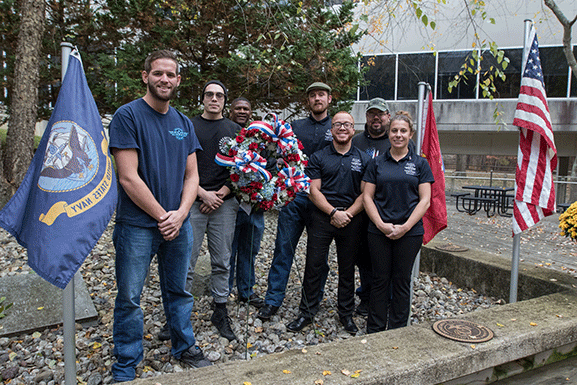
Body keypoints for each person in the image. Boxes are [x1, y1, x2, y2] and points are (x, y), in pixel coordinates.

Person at [109, 50, 210, 382]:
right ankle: (126, 361)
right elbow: (128, 177)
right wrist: (163, 216)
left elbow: (192, 176)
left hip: (178, 224)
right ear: (145, 76)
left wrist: (180, 214)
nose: (164, 79)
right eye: (158, 74)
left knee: (179, 290)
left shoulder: (182, 123)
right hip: (137, 225)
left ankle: (184, 346)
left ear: (178, 80)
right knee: (129, 297)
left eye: (170, 75)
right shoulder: (128, 116)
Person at [286, 111, 369, 334]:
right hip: (321, 218)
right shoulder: (318, 157)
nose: (342, 128)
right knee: (313, 266)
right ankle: (307, 312)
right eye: (338, 124)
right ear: (331, 130)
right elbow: (313, 191)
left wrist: (347, 214)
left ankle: (346, 314)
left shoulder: (363, 159)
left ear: (353, 130)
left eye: (347, 124)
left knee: (347, 268)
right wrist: (333, 212)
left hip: (351, 220)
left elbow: (366, 194)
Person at [257, 82, 333, 320]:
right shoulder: (295, 126)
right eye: (312, 95)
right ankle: (273, 300)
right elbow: (273, 152)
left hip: (323, 199)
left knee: (318, 255)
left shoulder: (338, 126)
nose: (317, 98)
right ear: (307, 101)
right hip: (294, 196)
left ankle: (311, 302)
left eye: (321, 95)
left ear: (329, 99)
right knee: (283, 248)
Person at [362, 111, 434, 333]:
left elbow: (425, 201)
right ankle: (375, 328)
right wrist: (381, 224)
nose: (398, 135)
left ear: (410, 134)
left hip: (409, 233)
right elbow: (367, 197)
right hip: (378, 231)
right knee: (380, 279)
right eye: (394, 130)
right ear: (388, 133)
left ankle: (398, 329)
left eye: (403, 131)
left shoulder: (421, 165)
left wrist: (405, 227)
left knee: (402, 281)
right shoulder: (376, 164)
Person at [187, 80, 241, 342]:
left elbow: (244, 169)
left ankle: (220, 310)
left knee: (222, 260)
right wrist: (201, 194)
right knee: (186, 261)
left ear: (225, 100)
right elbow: (178, 165)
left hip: (224, 203)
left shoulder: (235, 130)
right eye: (209, 94)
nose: (214, 99)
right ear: (203, 98)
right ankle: (179, 313)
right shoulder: (189, 127)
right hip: (192, 201)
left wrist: (222, 192)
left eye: (219, 95)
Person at [228, 97, 265, 308]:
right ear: (230, 110)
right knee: (228, 251)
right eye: (238, 108)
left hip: (255, 204)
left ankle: (246, 291)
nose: (242, 111)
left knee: (250, 249)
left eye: (246, 108)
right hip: (230, 203)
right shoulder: (226, 133)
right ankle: (224, 292)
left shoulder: (259, 135)